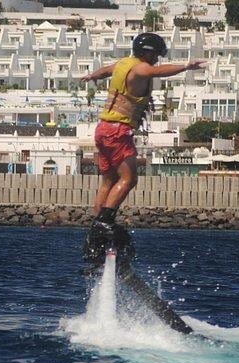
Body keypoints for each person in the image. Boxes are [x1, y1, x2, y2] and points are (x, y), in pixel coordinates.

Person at [81, 33, 206, 234]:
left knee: (109, 180)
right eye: (156, 54)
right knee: (129, 179)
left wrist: (93, 75)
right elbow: (158, 72)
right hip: (117, 131)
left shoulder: (123, 63)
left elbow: (106, 70)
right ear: (147, 53)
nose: (157, 59)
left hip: (103, 129)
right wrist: (186, 66)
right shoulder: (141, 68)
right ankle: (104, 221)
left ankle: (96, 227)